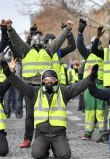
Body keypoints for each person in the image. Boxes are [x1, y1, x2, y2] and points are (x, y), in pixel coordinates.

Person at [3, 57, 99, 159]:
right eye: (46, 80)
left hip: (59, 134)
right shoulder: (35, 91)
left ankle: (55, 148)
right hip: (41, 134)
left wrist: (91, 77)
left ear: (56, 81)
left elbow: (79, 86)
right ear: (42, 81)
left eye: (52, 80)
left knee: (65, 155)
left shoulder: (64, 91)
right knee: (37, 154)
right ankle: (45, 149)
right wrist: (8, 73)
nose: (49, 83)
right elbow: (20, 85)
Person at [7, 20, 73, 148]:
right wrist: (10, 29)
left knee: (51, 113)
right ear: (30, 39)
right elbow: (16, 40)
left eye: (40, 37)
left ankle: (53, 138)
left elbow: (58, 40)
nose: (38, 39)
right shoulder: (25, 49)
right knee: (30, 115)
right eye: (35, 36)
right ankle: (27, 138)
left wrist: (67, 29)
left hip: (46, 87)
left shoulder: (49, 50)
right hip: (30, 87)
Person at [77, 18, 105, 141]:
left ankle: (102, 132)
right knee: (89, 110)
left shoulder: (105, 54)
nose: (97, 45)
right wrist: (80, 33)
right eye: (94, 43)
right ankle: (88, 132)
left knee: (100, 111)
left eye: (98, 43)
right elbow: (80, 46)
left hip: (102, 85)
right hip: (89, 86)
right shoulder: (88, 54)